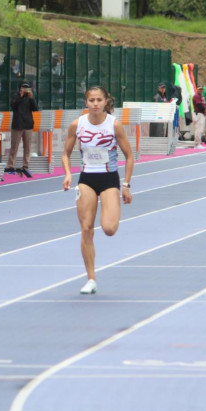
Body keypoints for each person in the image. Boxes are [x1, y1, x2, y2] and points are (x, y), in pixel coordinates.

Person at [62, 86, 134, 294]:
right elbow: (65, 154)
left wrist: (126, 185)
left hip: (109, 179)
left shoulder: (114, 125)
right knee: (86, 229)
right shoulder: (77, 124)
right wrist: (68, 174)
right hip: (86, 179)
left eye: (98, 100)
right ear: (86, 103)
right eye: (91, 100)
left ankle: (110, 207)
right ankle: (91, 278)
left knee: (109, 229)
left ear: (105, 102)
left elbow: (129, 156)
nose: (95, 103)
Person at [4, 81, 39, 177]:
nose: (25, 90)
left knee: (27, 147)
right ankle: (10, 165)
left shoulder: (29, 98)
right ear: (20, 88)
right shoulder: (15, 96)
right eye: (23, 88)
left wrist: (32, 98)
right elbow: (13, 106)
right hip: (17, 125)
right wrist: (20, 96)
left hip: (28, 125)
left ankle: (26, 166)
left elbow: (35, 108)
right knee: (14, 146)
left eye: (27, 88)